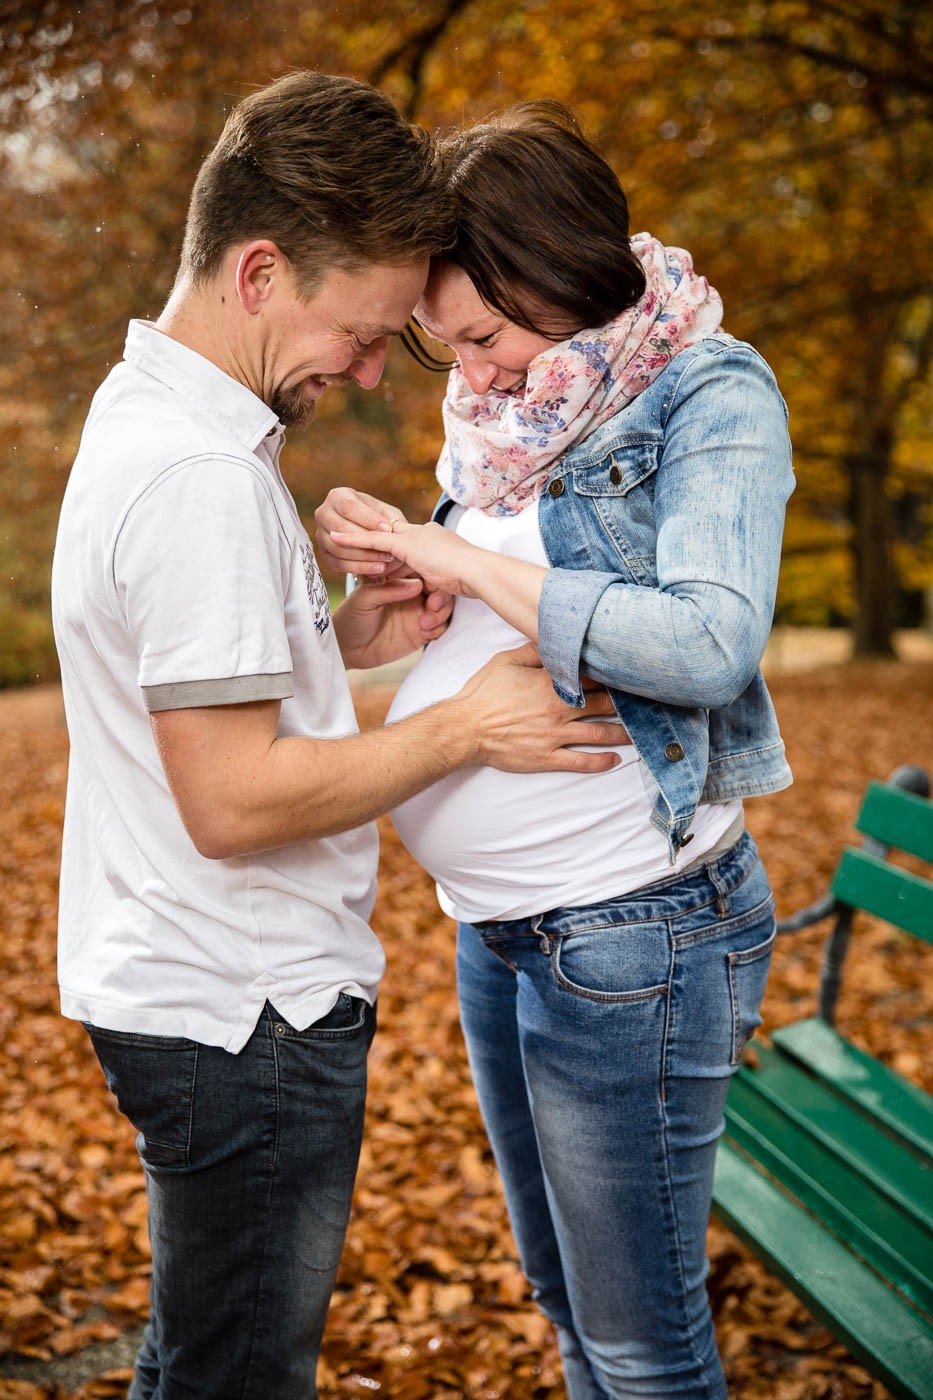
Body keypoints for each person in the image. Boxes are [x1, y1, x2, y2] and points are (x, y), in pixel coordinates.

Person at [50, 77, 623, 1400]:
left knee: (201, 1361)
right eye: (363, 330)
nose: (372, 369)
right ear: (260, 270)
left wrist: (343, 644)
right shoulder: (200, 482)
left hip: (193, 988)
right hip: (246, 1014)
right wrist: (467, 728)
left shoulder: (151, 422)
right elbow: (235, 800)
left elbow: (200, 714)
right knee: (236, 1379)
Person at [316, 100, 795, 1399]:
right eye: (442, 347)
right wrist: (384, 610)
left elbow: (706, 645)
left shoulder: (705, 389)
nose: (465, 374)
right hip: (501, 930)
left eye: (481, 336)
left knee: (643, 1345)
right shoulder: (513, 420)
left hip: (635, 930)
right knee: (564, 1304)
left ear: (565, 273)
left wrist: (455, 554)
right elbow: (478, 616)